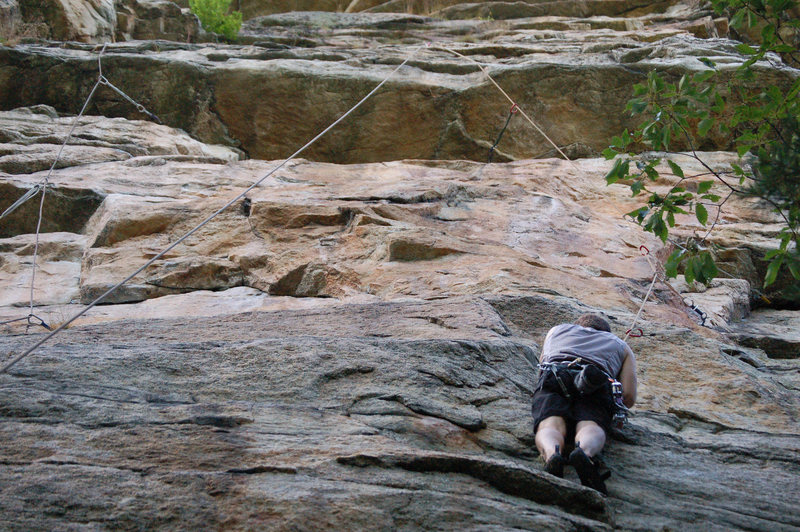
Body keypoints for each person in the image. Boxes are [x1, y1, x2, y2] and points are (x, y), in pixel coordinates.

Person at [532, 313, 637, 494]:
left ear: (578, 325)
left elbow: (543, 365)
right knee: (591, 424)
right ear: (606, 332)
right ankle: (584, 453)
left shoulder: (556, 331)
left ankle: (552, 454)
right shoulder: (621, 345)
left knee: (550, 423)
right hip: (596, 379)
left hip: (557, 374)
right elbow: (628, 395)